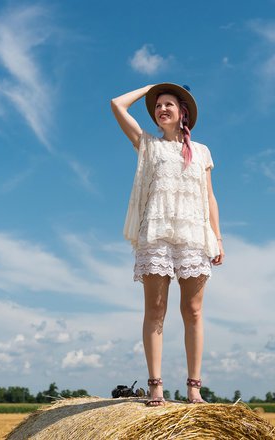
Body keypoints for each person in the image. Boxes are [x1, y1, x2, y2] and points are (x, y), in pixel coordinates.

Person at [111, 83, 225, 406]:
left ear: (182, 112)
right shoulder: (148, 145)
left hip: (192, 235)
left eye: (168, 104)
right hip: (157, 233)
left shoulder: (201, 151)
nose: (161, 109)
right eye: (157, 105)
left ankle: (194, 388)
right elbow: (117, 105)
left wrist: (218, 237)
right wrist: (152, 87)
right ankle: (156, 386)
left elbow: (210, 197)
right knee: (156, 310)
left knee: (193, 310)